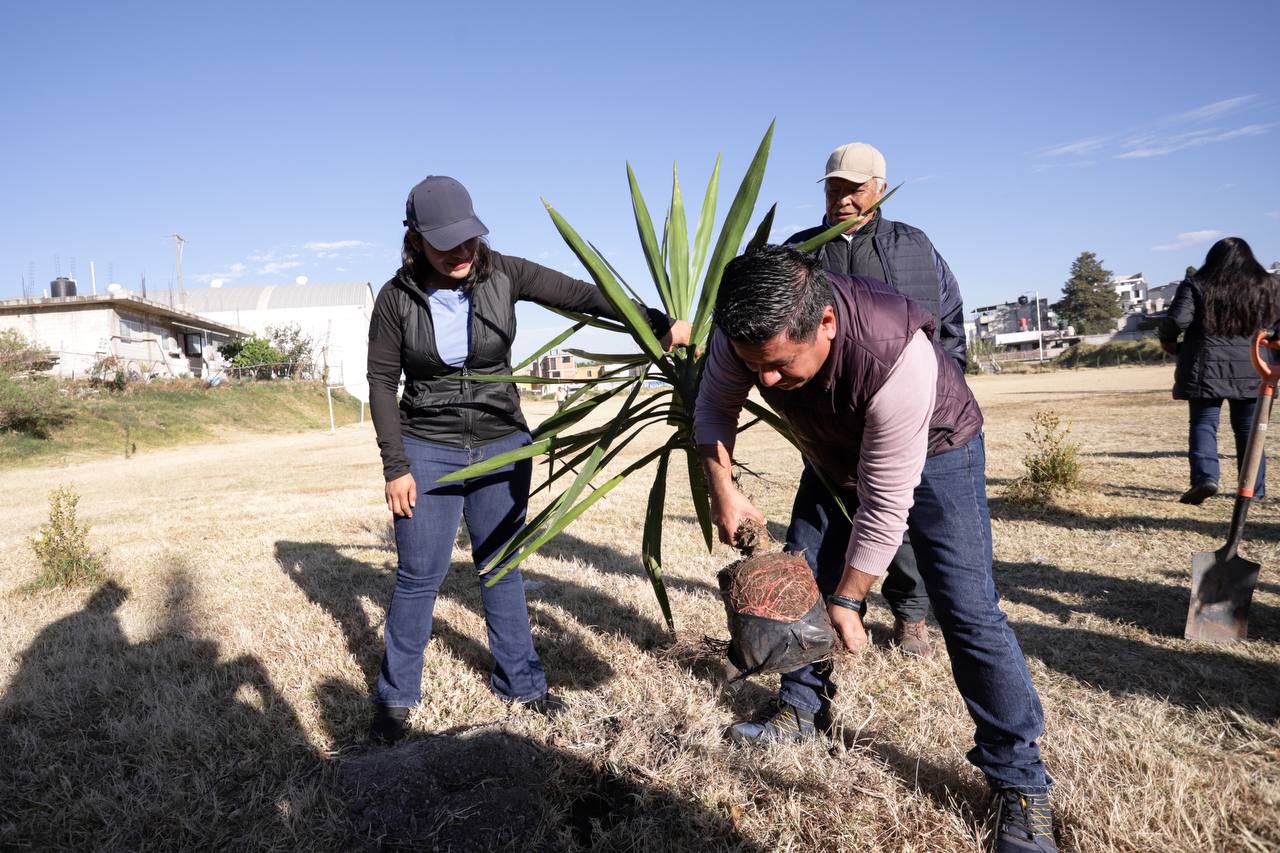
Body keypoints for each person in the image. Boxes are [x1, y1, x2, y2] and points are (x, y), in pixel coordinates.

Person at [696, 245, 1056, 853]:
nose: (767, 382)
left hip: (939, 446)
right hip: (830, 447)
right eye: (756, 366)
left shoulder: (898, 357)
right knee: (798, 583)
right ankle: (802, 710)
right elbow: (713, 406)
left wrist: (851, 597)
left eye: (781, 365)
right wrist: (723, 490)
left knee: (969, 611)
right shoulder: (747, 331)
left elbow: (885, 506)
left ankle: (1020, 784)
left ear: (827, 325)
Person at [366, 175, 690, 744]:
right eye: (446, 244)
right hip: (427, 448)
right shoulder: (396, 300)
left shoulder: (504, 272)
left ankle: (523, 683)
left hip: (502, 443)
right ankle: (395, 700)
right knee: (419, 576)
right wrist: (396, 465)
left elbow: (586, 295)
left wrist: (656, 322)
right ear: (415, 240)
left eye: (469, 239)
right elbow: (380, 383)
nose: (464, 253)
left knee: (501, 566)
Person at [782, 141, 968, 660]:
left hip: (905, 407)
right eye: (834, 189)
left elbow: (949, 318)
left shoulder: (914, 244)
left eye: (854, 189)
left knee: (897, 511)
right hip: (833, 417)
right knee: (833, 513)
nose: (842, 200)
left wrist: (940, 381)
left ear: (879, 190)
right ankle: (839, 614)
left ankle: (910, 615)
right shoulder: (803, 251)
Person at [1158, 237, 1280, 504]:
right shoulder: (1270, 285)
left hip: (1205, 366)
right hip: (1254, 366)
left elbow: (1177, 321)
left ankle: (1205, 479)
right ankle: (1253, 490)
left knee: (1203, 424)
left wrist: (1168, 341)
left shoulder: (1197, 284)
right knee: (1250, 429)